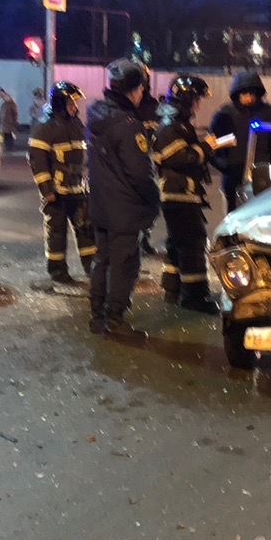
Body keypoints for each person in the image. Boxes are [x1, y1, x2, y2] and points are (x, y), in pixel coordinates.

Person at [85, 59, 160, 342]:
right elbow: (140, 174)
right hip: (124, 208)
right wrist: (154, 200)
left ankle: (97, 315)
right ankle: (115, 318)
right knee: (124, 264)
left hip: (101, 205)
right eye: (141, 88)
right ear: (135, 89)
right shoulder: (129, 125)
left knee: (102, 259)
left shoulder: (96, 116)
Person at [153, 74, 220, 314]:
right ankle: (194, 296)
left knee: (177, 243)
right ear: (188, 99)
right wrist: (206, 147)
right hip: (178, 194)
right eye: (197, 99)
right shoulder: (172, 124)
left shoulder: (174, 121)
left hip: (180, 193)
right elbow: (179, 158)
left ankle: (172, 288)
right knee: (193, 243)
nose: (199, 104)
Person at [29, 82, 94, 285]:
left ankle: (92, 267)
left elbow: (84, 151)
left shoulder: (75, 123)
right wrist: (47, 189)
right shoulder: (44, 127)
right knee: (57, 233)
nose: (75, 106)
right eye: (71, 102)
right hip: (56, 191)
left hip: (77, 188)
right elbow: (37, 161)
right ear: (60, 103)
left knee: (85, 230)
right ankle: (58, 271)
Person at [210, 69, 271, 213]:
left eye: (253, 94)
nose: (249, 98)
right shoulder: (225, 114)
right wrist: (225, 166)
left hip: (261, 176)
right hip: (233, 177)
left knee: (261, 218)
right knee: (233, 220)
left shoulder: (268, 113)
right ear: (237, 93)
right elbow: (212, 146)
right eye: (245, 93)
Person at [134, 61, 161, 256]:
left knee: (151, 204)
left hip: (150, 164)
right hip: (130, 164)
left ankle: (144, 238)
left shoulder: (153, 106)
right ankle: (134, 240)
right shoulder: (125, 107)